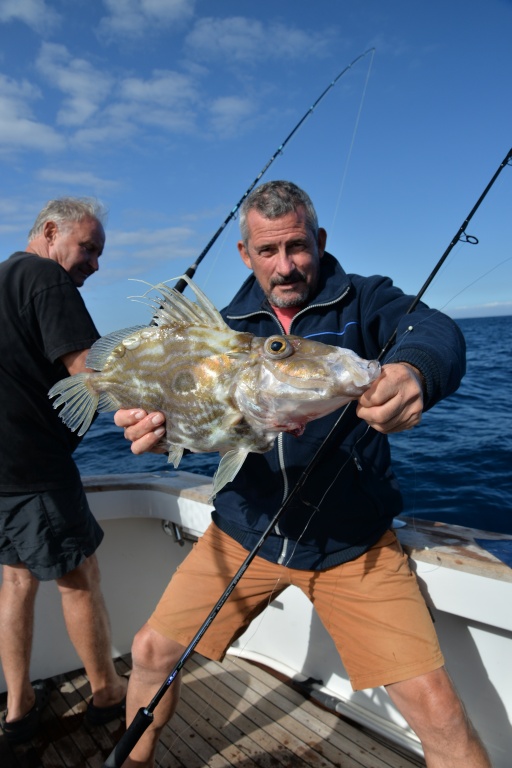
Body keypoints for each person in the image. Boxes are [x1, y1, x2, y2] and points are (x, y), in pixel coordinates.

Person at [114, 181, 491, 767]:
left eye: (297, 247)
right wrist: (165, 428)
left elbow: (436, 331)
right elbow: (184, 411)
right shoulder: (225, 326)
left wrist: (416, 372)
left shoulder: (365, 302)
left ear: (319, 241)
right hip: (244, 531)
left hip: (352, 543)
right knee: (150, 652)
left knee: (437, 710)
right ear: (245, 253)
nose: (285, 266)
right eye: (268, 251)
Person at [0, 198, 127, 743]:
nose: (94, 265)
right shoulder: (46, 280)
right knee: (79, 580)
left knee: (14, 583)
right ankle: (107, 695)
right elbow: (88, 374)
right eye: (88, 248)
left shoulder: (3, 276)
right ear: (50, 232)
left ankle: (19, 706)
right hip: (38, 472)